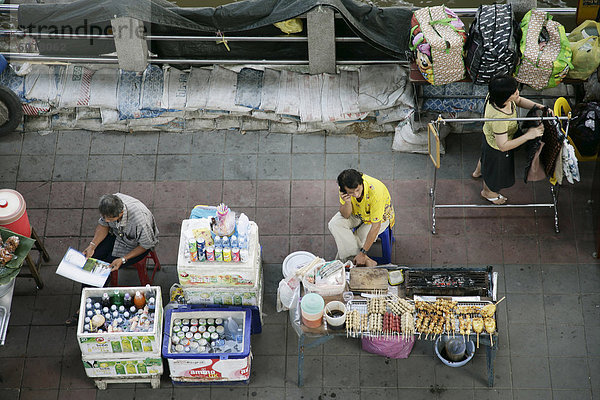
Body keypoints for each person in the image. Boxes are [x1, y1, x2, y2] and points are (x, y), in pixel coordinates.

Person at [66, 193, 159, 326]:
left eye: (110, 219)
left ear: (121, 212)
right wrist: (92, 246)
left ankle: (92, 306)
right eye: (106, 218)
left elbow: (146, 245)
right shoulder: (110, 205)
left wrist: (123, 259)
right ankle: (84, 302)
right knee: (91, 261)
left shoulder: (140, 221)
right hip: (116, 236)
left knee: (105, 269)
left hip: (135, 246)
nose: (107, 221)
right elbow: (103, 226)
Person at [472, 74, 546, 205]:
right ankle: (488, 192)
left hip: (488, 137)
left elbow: (519, 100)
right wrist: (529, 135)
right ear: (505, 97)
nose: (517, 92)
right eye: (514, 92)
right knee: (495, 173)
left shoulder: (495, 96)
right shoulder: (500, 119)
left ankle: (478, 172)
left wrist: (540, 107)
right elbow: (503, 146)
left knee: (485, 157)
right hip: (497, 148)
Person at [328, 169, 395, 267]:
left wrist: (363, 253)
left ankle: (344, 263)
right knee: (334, 223)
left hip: (379, 219)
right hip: (357, 213)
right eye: (351, 192)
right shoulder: (344, 189)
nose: (356, 194)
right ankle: (366, 261)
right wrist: (347, 202)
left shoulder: (376, 192)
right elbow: (346, 215)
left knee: (356, 239)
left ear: (362, 182)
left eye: (358, 190)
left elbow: (376, 226)